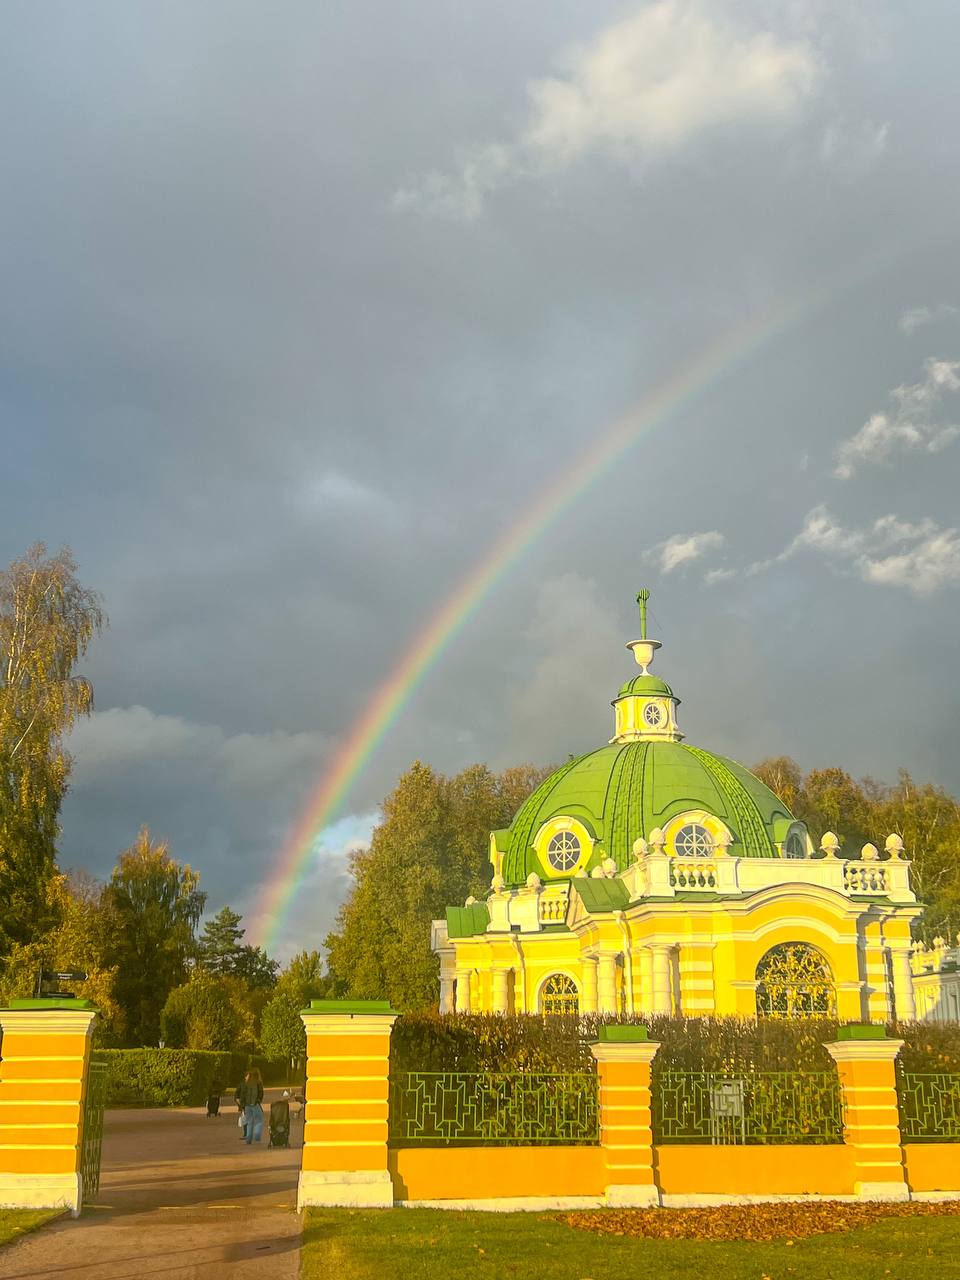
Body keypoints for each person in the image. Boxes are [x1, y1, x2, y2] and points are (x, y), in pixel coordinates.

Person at [239, 1068, 264, 1145]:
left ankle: (248, 1139)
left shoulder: (246, 1083)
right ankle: (257, 1135)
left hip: (247, 1105)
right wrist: (259, 1100)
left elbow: (242, 1094)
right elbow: (261, 1093)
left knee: (249, 1122)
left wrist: (242, 1105)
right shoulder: (258, 1083)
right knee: (259, 1120)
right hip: (255, 1104)